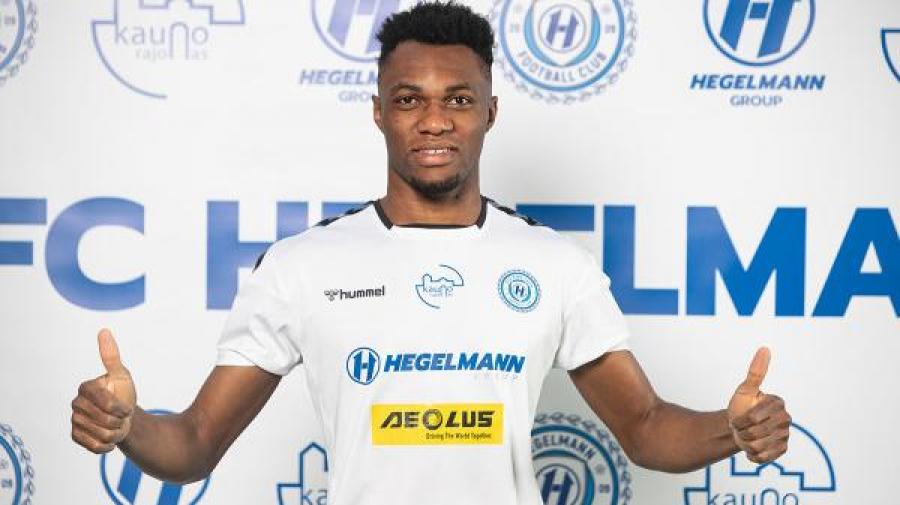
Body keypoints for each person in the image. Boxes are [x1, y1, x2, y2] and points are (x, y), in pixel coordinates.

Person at [70, 2, 791, 503]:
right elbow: (196, 442)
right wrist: (128, 427)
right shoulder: (302, 268)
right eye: (410, 99)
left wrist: (730, 429)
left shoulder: (554, 266)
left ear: (490, 112)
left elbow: (646, 429)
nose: (435, 120)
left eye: (459, 99)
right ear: (379, 111)